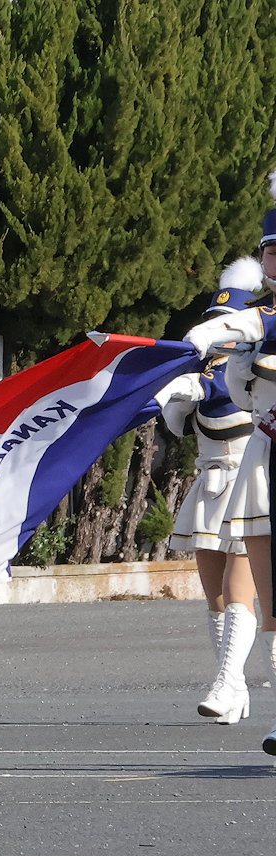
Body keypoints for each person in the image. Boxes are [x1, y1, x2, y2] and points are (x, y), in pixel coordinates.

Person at [184, 173, 276, 757]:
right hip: (256, 466)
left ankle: (230, 682)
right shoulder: (258, 326)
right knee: (263, 602)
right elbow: (241, 401)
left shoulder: (260, 322)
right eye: (273, 252)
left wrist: (228, 331)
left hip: (256, 461)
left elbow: (255, 324)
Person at [155, 260, 263, 725]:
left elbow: (225, 393)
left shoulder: (254, 367)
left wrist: (192, 385)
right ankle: (234, 687)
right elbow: (183, 425)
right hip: (210, 484)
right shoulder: (205, 370)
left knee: (239, 591)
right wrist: (171, 399)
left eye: (227, 326)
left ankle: (227, 682)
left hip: (250, 484)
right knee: (215, 598)